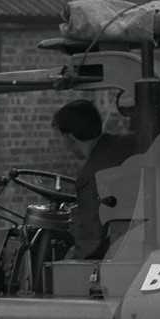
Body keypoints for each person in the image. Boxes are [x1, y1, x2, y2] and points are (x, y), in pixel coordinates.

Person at [51, 97, 136, 259]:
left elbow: (91, 240)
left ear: (70, 137)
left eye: (60, 138)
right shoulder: (129, 144)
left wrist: (70, 264)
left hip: (122, 255)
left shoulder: (91, 177)